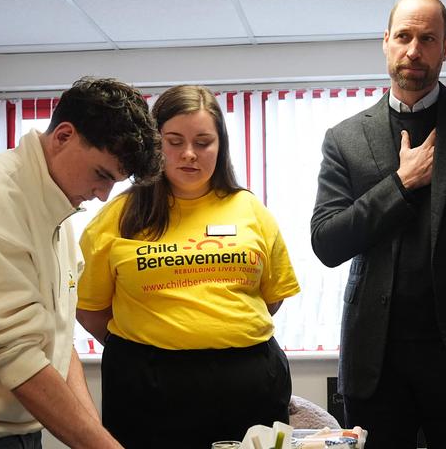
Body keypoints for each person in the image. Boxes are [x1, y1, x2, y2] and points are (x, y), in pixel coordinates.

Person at [310, 0, 446, 448]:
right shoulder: (344, 138)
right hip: (375, 357)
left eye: (428, 38)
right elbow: (327, 242)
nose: (414, 50)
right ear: (385, 41)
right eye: (404, 36)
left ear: (445, 47)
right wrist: (400, 184)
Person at [76, 85, 300, 449]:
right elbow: (89, 309)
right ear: (154, 143)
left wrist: (215, 330)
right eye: (174, 141)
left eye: (203, 141)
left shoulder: (251, 210)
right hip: (147, 387)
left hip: (248, 382)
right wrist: (159, 341)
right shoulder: (117, 216)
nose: (189, 154)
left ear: (220, 145)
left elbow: (271, 298)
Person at [0, 77, 162, 448]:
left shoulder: (57, 213)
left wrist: (97, 436)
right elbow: (18, 355)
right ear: (63, 135)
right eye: (101, 175)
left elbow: (58, 342)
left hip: (22, 433)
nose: (103, 194)